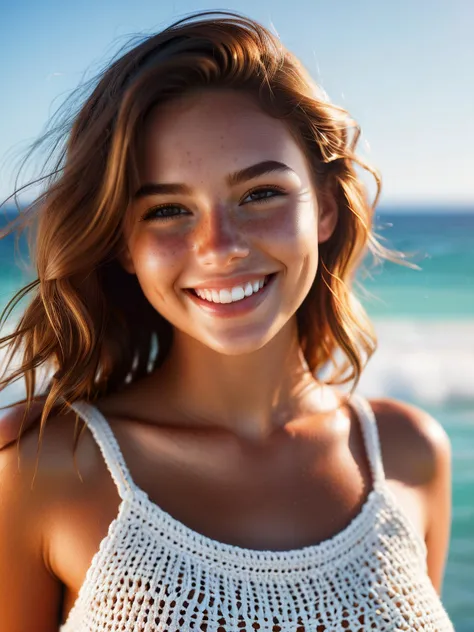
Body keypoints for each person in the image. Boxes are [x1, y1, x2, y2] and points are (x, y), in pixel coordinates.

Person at [0, 11, 454, 631]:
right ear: (123, 245)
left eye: (260, 194)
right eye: (166, 209)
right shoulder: (47, 469)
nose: (219, 247)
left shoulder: (409, 454)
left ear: (323, 205)